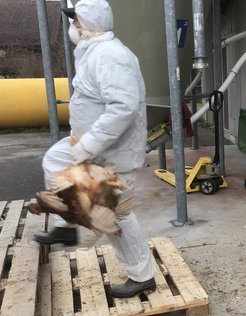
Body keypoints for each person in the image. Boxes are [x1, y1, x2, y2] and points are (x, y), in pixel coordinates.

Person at [33, 0, 156, 298]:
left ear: (88, 24)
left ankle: (142, 275)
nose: (72, 26)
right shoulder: (94, 51)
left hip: (113, 152)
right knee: (55, 161)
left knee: (118, 213)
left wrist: (89, 144)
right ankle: (73, 221)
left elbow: (123, 108)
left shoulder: (111, 56)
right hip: (92, 146)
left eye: (76, 21)